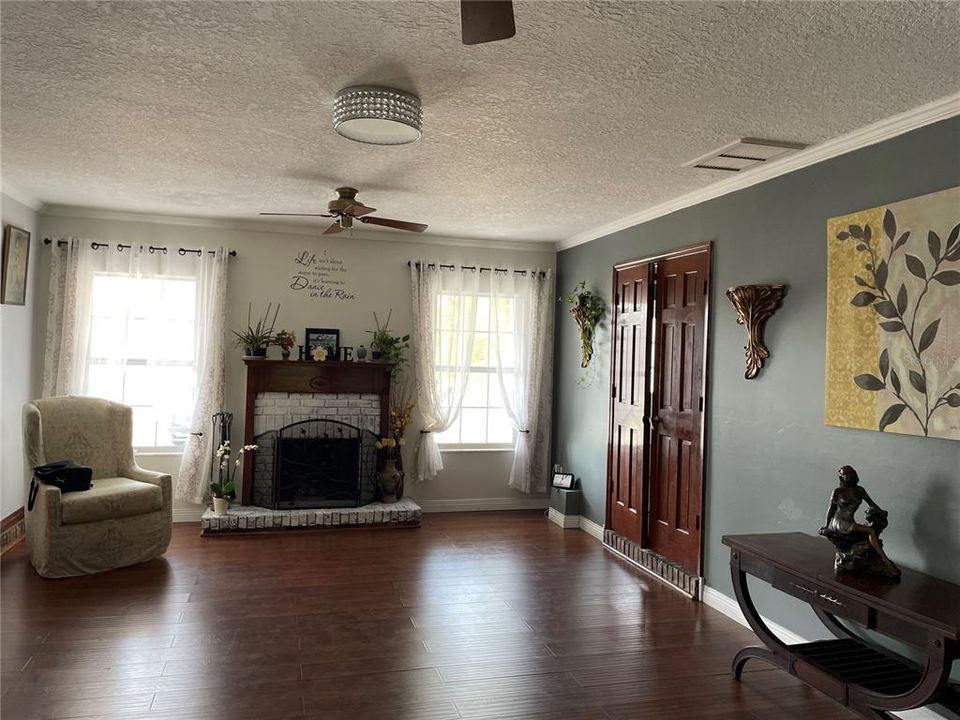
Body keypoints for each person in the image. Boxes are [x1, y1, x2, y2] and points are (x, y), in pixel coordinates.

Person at [819, 465, 899, 575]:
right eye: (843, 475)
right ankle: (885, 560)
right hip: (839, 522)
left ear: (854, 474)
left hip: (851, 522)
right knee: (870, 531)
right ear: (841, 477)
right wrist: (826, 526)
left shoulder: (860, 491)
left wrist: (881, 512)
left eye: (849, 474)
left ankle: (863, 558)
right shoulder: (838, 491)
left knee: (870, 531)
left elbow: (872, 504)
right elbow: (831, 509)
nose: (846, 476)